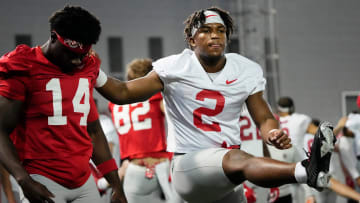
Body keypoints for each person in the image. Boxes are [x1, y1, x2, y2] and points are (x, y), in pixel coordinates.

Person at [95, 7, 336, 202]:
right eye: (206, 30)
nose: (214, 35)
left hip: (226, 178)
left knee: (237, 158)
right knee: (239, 157)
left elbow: (263, 117)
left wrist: (271, 132)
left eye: (221, 30)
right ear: (191, 39)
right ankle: (306, 171)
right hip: (189, 166)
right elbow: (124, 92)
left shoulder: (244, 69)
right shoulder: (175, 67)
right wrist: (94, 72)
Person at [0, 5, 126, 203]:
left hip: (84, 181)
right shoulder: (24, 65)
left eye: (82, 55)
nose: (77, 61)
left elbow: (93, 131)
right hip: (42, 179)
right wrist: (23, 179)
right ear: (53, 36)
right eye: (70, 53)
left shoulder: (87, 67)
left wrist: (116, 184)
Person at [108, 58, 182, 203]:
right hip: (162, 164)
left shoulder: (114, 104)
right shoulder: (155, 97)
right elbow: (179, 119)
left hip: (134, 168)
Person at [304, 119, 360, 203]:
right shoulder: (315, 137)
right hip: (327, 176)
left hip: (315, 177)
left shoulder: (304, 138)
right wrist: (340, 127)